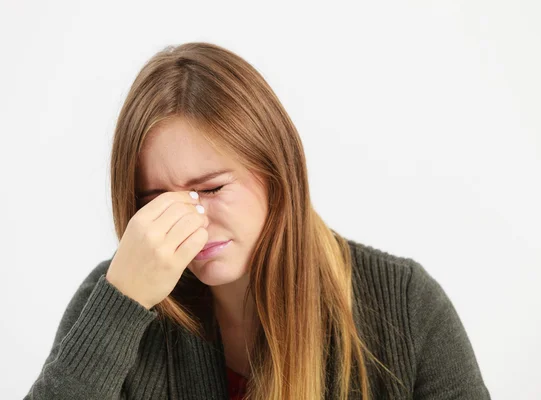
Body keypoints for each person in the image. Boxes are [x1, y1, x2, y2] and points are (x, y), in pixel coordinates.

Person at [25, 42, 491, 399]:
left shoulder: (404, 304)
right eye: (157, 200)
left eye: (211, 188)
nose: (190, 219)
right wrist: (119, 305)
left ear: (276, 172)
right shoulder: (114, 298)